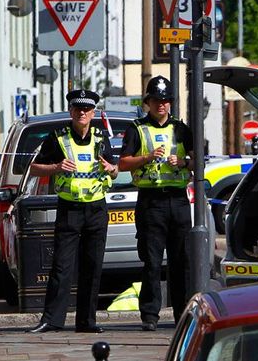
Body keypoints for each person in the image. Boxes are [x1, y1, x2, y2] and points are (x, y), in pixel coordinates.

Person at [27, 89, 118, 334]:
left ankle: (87, 322)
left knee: (93, 266)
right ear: (71, 111)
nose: (82, 113)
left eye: (86, 109)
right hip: (70, 208)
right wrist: (56, 166)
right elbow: (33, 169)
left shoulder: (100, 137)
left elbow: (115, 170)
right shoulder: (58, 137)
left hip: (97, 208)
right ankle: (52, 320)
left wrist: (111, 168)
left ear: (93, 113)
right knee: (62, 266)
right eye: (78, 109)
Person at [118, 75, 194, 331]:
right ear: (147, 102)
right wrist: (148, 157)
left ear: (170, 103)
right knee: (151, 261)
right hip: (151, 202)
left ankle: (182, 314)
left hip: (178, 201)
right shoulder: (137, 129)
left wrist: (183, 163)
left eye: (165, 100)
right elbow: (123, 163)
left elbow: (197, 162)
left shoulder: (182, 129)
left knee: (180, 260)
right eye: (156, 100)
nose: (161, 105)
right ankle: (150, 315)